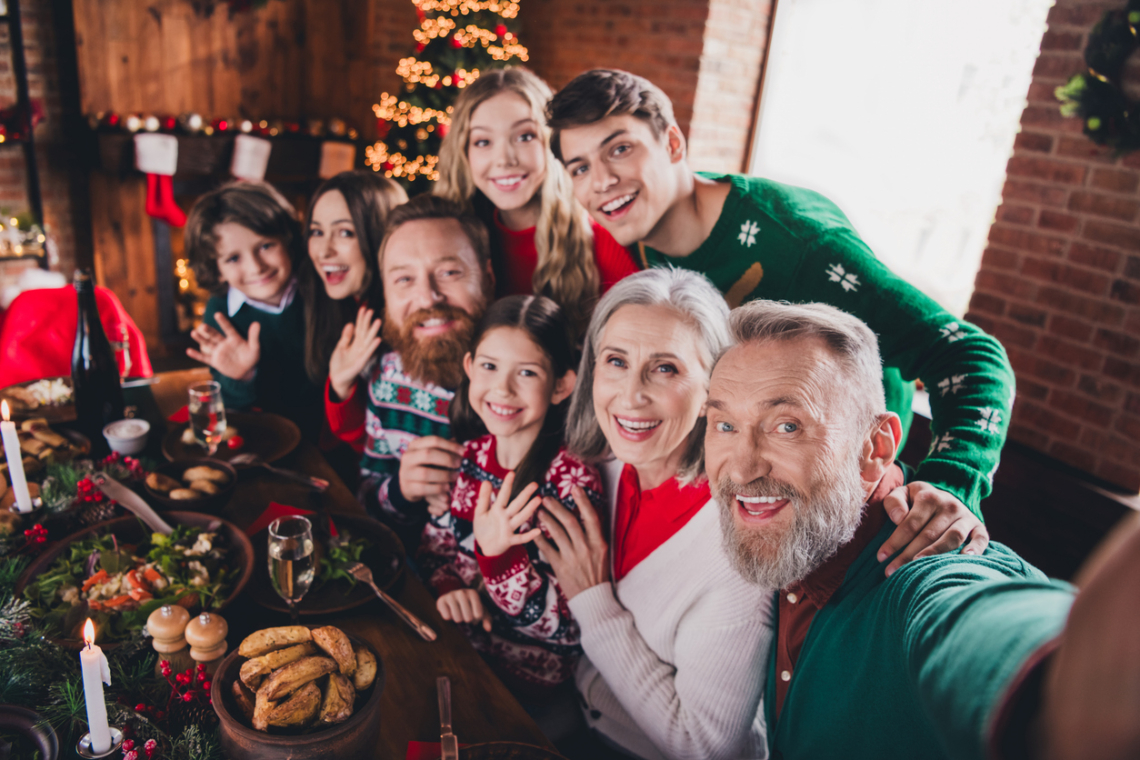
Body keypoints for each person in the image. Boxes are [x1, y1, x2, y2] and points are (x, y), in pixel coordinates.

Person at [547, 69, 1014, 574]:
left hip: (851, 507)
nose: (602, 181)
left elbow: (971, 355)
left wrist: (952, 481)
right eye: (579, 167)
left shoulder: (801, 243)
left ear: (674, 143)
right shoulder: (637, 234)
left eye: (620, 150)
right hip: (749, 484)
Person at [700, 299, 1140, 760]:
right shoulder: (792, 529)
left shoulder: (927, 570)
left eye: (787, 426)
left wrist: (1065, 683)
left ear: (874, 448)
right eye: (725, 424)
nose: (744, 467)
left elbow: (986, 625)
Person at [534, 268, 774, 760]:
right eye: (616, 361)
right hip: (581, 713)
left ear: (714, 388)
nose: (631, 395)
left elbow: (704, 746)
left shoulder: (738, 552)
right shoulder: (603, 467)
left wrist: (592, 599)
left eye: (665, 368)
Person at [418, 294, 604, 698]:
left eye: (527, 373)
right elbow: (435, 551)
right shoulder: (468, 456)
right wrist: (451, 590)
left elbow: (570, 627)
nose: (501, 388)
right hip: (458, 655)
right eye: (489, 366)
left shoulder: (573, 484)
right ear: (469, 368)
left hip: (528, 685)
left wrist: (499, 557)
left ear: (561, 385)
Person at [324, 194, 493, 545]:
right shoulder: (386, 377)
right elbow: (367, 501)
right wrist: (403, 491)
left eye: (448, 273)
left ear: (487, 277)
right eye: (404, 280)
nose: (428, 297)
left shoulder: (529, 381)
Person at [435, 67, 639, 337]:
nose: (505, 159)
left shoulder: (600, 242)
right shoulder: (447, 240)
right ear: (464, 153)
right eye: (483, 141)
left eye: (525, 136)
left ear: (553, 144)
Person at [184, 180, 322, 438]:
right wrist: (239, 377)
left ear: (287, 239)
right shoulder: (219, 312)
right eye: (234, 258)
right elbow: (232, 410)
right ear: (216, 269)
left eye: (266, 246)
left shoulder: (320, 291)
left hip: (326, 436)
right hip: (266, 437)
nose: (256, 267)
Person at [299, 170, 408, 388]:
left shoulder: (407, 324)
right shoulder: (321, 305)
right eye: (317, 232)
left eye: (345, 232)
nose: (324, 252)